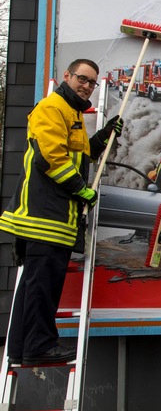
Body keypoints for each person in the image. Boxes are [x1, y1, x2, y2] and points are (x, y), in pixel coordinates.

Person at [0, 58, 123, 365]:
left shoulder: (72, 115)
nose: (87, 85)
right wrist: (80, 189)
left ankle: (21, 348)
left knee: (34, 285)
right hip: (45, 216)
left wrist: (104, 136)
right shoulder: (51, 108)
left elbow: (80, 156)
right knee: (42, 286)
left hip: (55, 217)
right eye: (82, 78)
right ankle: (40, 346)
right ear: (67, 76)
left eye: (92, 82)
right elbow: (51, 157)